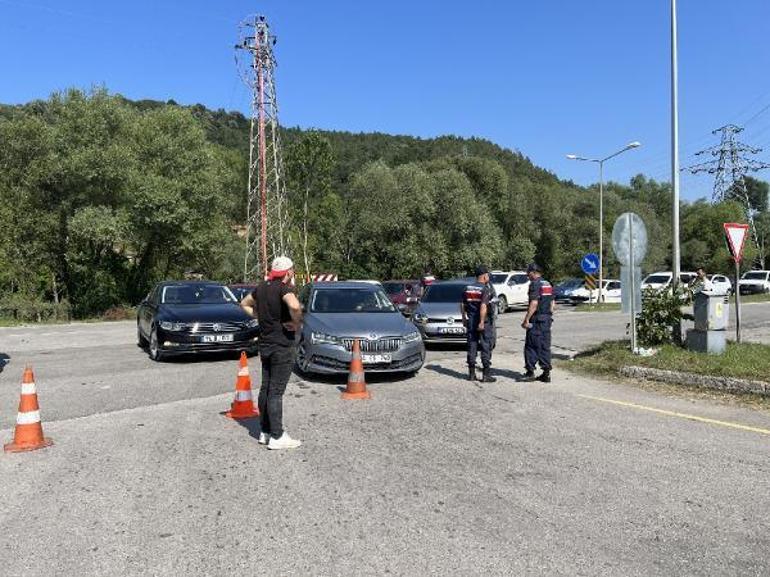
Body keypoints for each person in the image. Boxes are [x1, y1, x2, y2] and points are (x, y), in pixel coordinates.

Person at [240, 256, 303, 450]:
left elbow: (244, 304)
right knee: (276, 392)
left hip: (265, 344)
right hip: (282, 345)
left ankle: (265, 431)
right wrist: (296, 322)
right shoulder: (285, 288)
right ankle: (277, 436)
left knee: (266, 388)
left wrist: (259, 316)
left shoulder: (262, 287)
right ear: (289, 272)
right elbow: (294, 305)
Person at [461, 265, 497, 383]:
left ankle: (471, 374)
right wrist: (481, 321)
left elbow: (462, 304)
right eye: (487, 275)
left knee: (472, 345)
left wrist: (464, 318)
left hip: (470, 320)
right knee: (486, 345)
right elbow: (483, 306)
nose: (488, 277)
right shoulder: (485, 289)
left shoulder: (467, 288)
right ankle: (486, 375)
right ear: (484, 275)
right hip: (483, 321)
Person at [521, 263, 554, 383]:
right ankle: (546, 374)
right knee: (545, 346)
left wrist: (526, 319)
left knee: (531, 346)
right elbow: (552, 304)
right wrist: (548, 316)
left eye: (528, 273)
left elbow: (534, 304)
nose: (527, 275)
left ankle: (530, 372)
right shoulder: (548, 284)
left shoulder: (535, 284)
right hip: (546, 319)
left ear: (534, 272)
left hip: (537, 319)